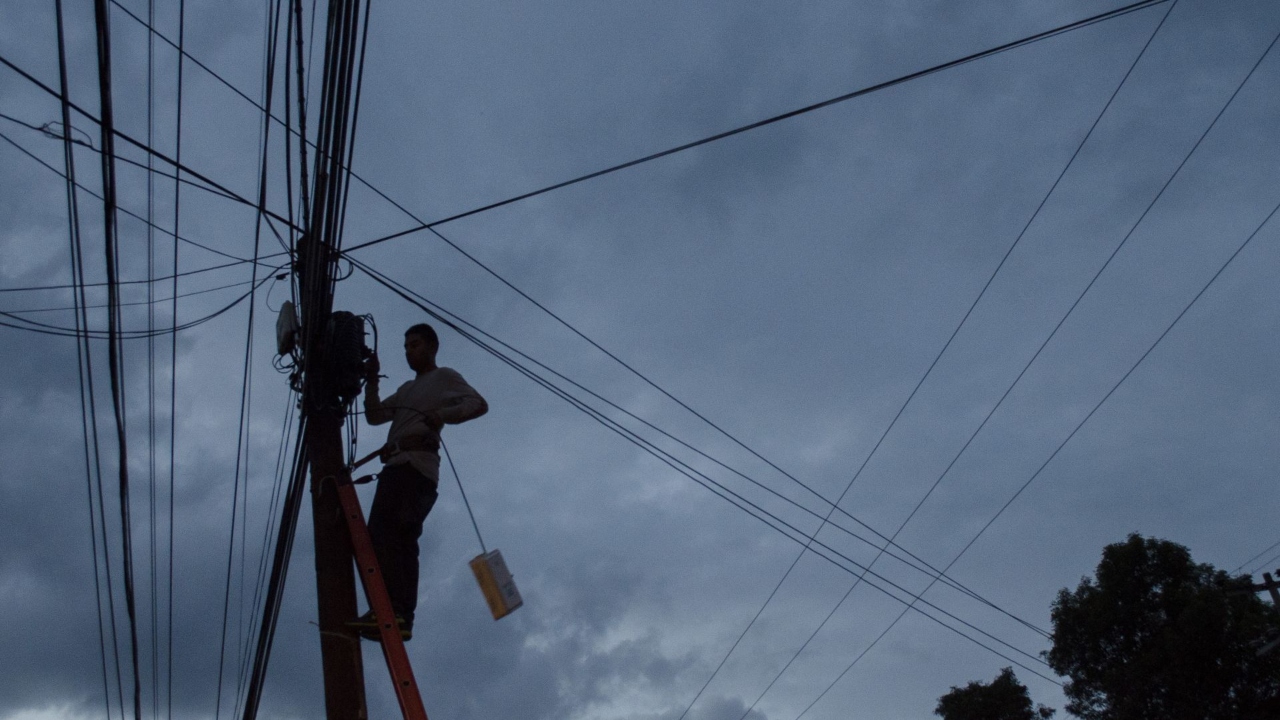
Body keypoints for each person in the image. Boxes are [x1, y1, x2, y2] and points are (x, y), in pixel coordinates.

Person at [348, 322, 488, 640]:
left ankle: (400, 613)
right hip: (397, 465)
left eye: (416, 345)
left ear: (432, 347)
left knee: (399, 535)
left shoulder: (445, 376)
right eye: (407, 347)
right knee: (379, 536)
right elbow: (374, 415)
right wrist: (371, 380)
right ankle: (386, 611)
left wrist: (443, 415)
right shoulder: (407, 391)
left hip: (417, 467)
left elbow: (478, 403)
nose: (410, 351)